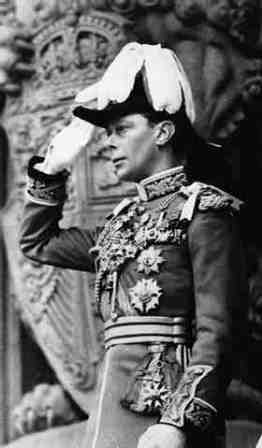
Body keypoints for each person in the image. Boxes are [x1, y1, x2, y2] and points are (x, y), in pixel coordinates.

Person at [19, 42, 248, 448]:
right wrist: (52, 170)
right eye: (107, 133)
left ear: (162, 131)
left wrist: (178, 422)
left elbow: (219, 331)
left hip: (164, 410)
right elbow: (38, 244)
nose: (108, 143)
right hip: (111, 404)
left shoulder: (205, 213)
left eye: (122, 129)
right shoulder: (122, 223)